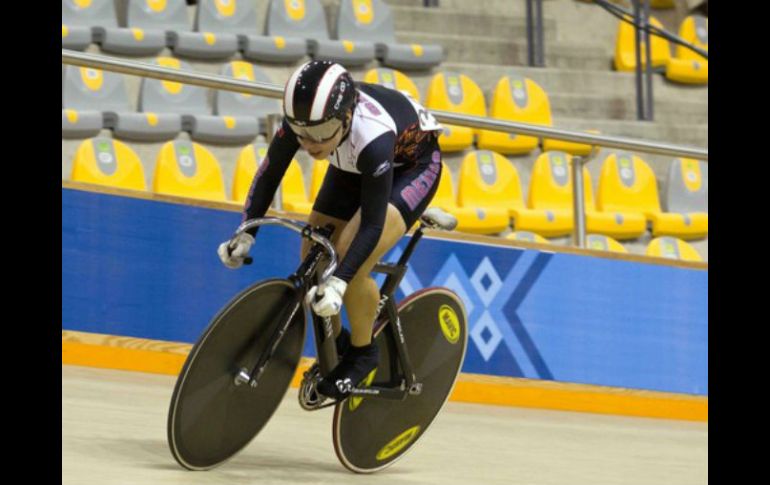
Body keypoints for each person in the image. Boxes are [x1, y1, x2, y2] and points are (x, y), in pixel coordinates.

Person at [218, 60, 444, 400]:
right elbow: (269, 174)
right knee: (313, 254)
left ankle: (363, 352)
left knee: (352, 263)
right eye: (302, 133)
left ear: (347, 116)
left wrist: (339, 283)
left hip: (410, 167)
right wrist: (246, 231)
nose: (310, 144)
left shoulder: (372, 134)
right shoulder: (311, 124)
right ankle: (335, 346)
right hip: (350, 160)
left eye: (320, 134)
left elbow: (372, 224)